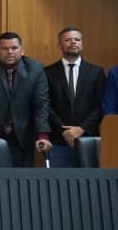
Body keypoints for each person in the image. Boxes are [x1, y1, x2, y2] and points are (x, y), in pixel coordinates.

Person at [0, 32, 52, 167]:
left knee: (21, 182)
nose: (10, 52)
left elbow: (41, 104)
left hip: (23, 135)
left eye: (14, 48)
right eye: (5, 48)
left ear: (22, 50)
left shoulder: (35, 68)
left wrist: (42, 135)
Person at [43, 27, 104, 168]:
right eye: (68, 40)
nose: (73, 42)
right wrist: (65, 131)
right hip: (58, 140)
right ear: (59, 45)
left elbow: (100, 105)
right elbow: (45, 105)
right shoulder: (47, 72)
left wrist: (82, 128)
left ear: (82, 44)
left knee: (90, 185)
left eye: (77, 39)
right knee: (58, 185)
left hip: (88, 139)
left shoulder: (96, 72)